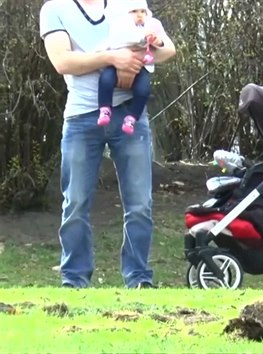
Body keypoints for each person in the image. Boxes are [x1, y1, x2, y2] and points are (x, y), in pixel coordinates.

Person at [39, 0, 176, 289]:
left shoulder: (127, 4)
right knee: (75, 202)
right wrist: (113, 59)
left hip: (130, 115)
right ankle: (74, 280)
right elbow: (64, 62)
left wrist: (136, 57)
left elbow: (165, 50)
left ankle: (138, 278)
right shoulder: (55, 9)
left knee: (140, 204)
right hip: (81, 117)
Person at [97, 0, 165, 135]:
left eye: (142, 11)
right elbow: (112, 42)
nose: (139, 15)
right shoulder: (120, 27)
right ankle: (105, 108)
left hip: (141, 67)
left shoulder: (150, 28)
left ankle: (132, 118)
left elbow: (162, 45)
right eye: (134, 11)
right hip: (115, 64)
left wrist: (156, 41)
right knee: (105, 80)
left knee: (143, 90)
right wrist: (100, 53)